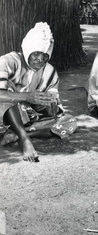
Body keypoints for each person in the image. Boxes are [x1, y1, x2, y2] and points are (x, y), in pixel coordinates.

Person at [0, 22, 76, 162]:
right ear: (28, 49)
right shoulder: (8, 62)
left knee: (69, 122)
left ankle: (17, 133)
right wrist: (27, 96)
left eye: (45, 55)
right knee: (7, 94)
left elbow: (54, 105)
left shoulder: (49, 72)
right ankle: (25, 139)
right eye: (36, 54)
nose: (40, 59)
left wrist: (48, 103)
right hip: (3, 113)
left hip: (28, 117)